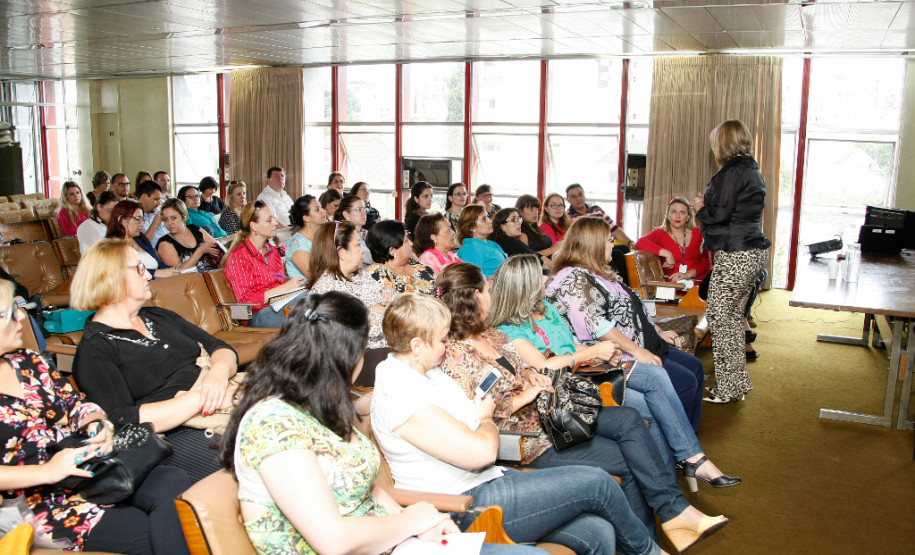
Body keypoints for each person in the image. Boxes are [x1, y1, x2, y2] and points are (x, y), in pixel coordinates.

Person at [217, 293, 536, 555]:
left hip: (389, 539)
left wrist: (420, 523)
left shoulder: (318, 404)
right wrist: (412, 521)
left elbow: (366, 489)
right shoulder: (273, 425)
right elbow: (333, 541)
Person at [437, 263, 729, 550]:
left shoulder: (492, 335)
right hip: (526, 439)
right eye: (488, 290)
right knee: (629, 452)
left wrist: (529, 376)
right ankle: (662, 529)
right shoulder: (455, 354)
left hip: (550, 413)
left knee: (630, 421)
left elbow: (524, 366)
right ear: (476, 296)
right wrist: (523, 396)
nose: (492, 296)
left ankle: (668, 521)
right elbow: (476, 415)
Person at [373, 293, 668, 555]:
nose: (447, 345)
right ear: (416, 345)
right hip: (463, 505)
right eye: (442, 340)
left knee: (596, 530)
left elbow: (473, 429)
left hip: (488, 480)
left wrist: (490, 410)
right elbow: (482, 452)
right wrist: (486, 418)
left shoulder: (426, 373)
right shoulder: (403, 392)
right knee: (598, 482)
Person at [489, 255, 740, 491]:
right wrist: (588, 354)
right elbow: (543, 367)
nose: (547, 280)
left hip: (587, 372)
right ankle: (686, 466)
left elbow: (569, 345)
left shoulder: (545, 309)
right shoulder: (507, 329)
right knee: (653, 384)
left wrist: (597, 352)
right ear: (525, 286)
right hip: (568, 388)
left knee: (652, 399)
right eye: (540, 277)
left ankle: (673, 479)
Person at [0, 279, 192, 554]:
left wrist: (95, 423)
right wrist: (47, 471)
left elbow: (75, 404)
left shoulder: (28, 361)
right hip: (37, 500)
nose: (22, 316)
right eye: (9, 311)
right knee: (141, 531)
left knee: (173, 482)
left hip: (92, 468)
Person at [72, 239, 239, 483]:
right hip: (176, 431)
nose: (148, 275)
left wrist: (218, 375)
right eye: (138, 268)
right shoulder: (96, 348)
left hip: (223, 393)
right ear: (112, 278)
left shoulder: (158, 316)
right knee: (263, 453)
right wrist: (200, 398)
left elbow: (220, 348)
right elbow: (122, 419)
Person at [545, 217, 706, 433]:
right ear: (593, 244)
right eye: (608, 240)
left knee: (695, 368)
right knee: (685, 383)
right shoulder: (573, 278)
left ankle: (688, 436)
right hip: (622, 353)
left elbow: (634, 307)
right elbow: (597, 326)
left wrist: (659, 331)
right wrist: (638, 351)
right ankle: (680, 444)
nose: (612, 244)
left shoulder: (600, 272)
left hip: (643, 341)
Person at [691, 120, 771, 404]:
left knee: (720, 318)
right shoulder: (751, 168)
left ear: (722, 142)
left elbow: (721, 214)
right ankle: (735, 383)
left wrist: (701, 208)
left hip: (736, 253)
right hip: (751, 251)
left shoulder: (732, 171)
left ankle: (727, 389)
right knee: (733, 318)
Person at [308, 221, 393, 350]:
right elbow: (367, 327)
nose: (363, 250)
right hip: (361, 355)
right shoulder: (327, 290)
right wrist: (384, 307)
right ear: (342, 253)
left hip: (388, 344)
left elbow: (392, 295)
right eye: (358, 245)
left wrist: (379, 308)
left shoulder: (359, 275)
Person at [224, 202, 306, 328]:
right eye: (269, 220)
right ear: (254, 226)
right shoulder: (239, 256)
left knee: (317, 295)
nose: (275, 222)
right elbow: (245, 302)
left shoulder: (272, 252)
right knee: (313, 297)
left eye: (273, 218)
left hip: (279, 306)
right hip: (256, 317)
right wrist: (285, 288)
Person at [635, 197, 711, 283]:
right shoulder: (660, 233)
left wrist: (687, 275)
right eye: (674, 212)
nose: (677, 216)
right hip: (673, 286)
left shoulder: (698, 233)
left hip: (698, 282)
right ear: (668, 215)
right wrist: (667, 254)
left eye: (682, 212)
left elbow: (706, 262)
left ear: (688, 217)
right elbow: (640, 242)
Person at [566, 183, 633, 281]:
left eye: (580, 194)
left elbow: (614, 229)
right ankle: (622, 286)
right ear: (568, 199)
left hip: (608, 245)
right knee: (618, 254)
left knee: (625, 248)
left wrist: (630, 242)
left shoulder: (596, 209)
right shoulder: (568, 217)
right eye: (574, 196)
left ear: (584, 195)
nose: (578, 198)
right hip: (590, 250)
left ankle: (628, 285)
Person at [107, 200, 179, 279]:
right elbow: (121, 272)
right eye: (138, 219)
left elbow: (158, 264)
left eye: (142, 219)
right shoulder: (111, 247)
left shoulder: (141, 239)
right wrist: (155, 273)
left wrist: (173, 269)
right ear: (122, 220)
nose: (142, 224)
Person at [367, 219, 436, 295]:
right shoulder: (378, 274)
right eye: (406, 241)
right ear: (392, 250)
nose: (411, 243)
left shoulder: (413, 263)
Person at [155, 198, 222, 272]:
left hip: (214, 275)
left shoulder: (195, 229)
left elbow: (218, 250)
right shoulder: (164, 243)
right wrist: (200, 251)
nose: (169, 223)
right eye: (165, 219)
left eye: (173, 218)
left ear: (183, 217)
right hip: (192, 282)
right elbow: (178, 272)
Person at [455, 204, 506, 278]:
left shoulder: (490, 243)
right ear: (472, 227)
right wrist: (490, 279)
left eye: (488, 217)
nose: (490, 221)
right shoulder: (470, 248)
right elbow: (469, 278)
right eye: (483, 219)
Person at [285, 194, 325, 281]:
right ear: (306, 218)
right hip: (306, 291)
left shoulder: (322, 235)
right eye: (317, 209)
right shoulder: (296, 243)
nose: (323, 211)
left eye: (321, 206)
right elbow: (315, 276)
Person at [335, 194, 373, 268]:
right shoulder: (343, 235)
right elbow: (370, 257)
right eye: (359, 209)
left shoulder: (367, 233)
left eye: (364, 209)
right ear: (346, 214)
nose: (364, 213)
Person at [137, 180, 168, 245]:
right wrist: (155, 223)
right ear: (144, 197)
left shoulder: (157, 212)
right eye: (156, 199)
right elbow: (143, 245)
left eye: (160, 199)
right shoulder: (133, 216)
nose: (159, 203)